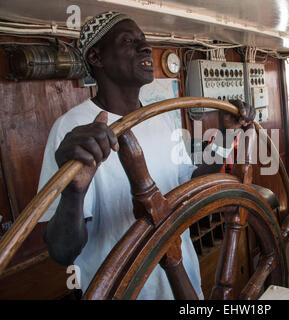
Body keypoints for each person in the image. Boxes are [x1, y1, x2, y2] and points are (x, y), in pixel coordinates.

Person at [38, 11, 255, 299]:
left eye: (144, 41)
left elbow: (189, 182)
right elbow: (63, 251)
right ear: (96, 57)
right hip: (121, 291)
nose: (145, 48)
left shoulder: (161, 117)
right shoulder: (73, 129)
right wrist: (74, 193)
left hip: (182, 281)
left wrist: (226, 135)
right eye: (129, 41)